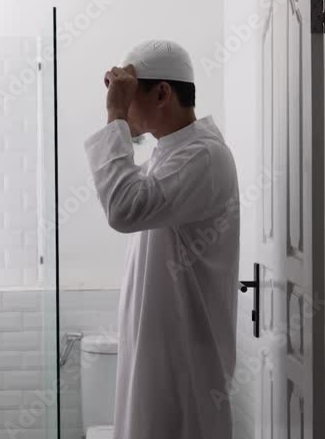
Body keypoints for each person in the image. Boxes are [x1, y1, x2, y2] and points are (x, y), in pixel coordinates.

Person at [84, 39, 241, 439]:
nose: (121, 104)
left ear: (162, 93)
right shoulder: (170, 154)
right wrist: (120, 111)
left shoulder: (204, 157)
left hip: (185, 367)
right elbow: (126, 198)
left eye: (128, 93)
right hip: (161, 357)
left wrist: (115, 115)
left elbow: (123, 209)